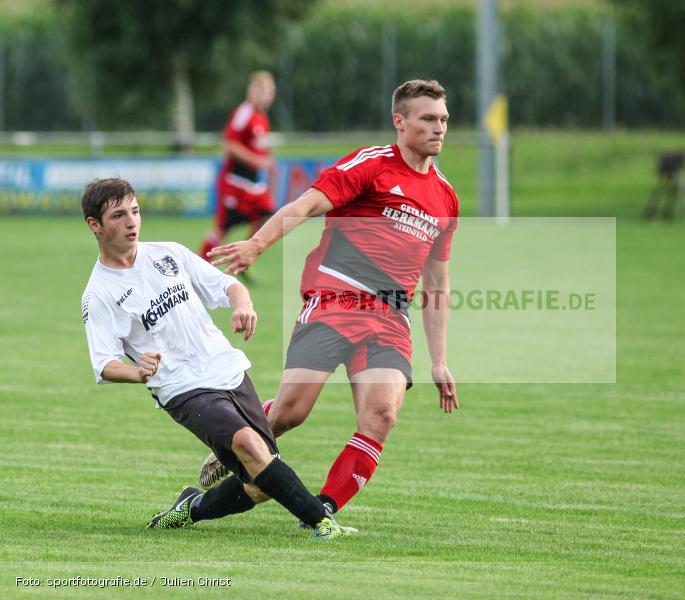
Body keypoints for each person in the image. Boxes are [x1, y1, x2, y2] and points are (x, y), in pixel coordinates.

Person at [203, 79, 460, 518]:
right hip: (337, 298)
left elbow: (436, 284)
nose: (439, 128)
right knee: (290, 413)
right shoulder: (371, 166)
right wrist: (256, 245)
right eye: (428, 119)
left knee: (382, 415)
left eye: (444, 120)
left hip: (391, 316)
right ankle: (238, 434)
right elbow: (302, 207)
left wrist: (439, 360)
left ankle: (322, 512)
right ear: (399, 122)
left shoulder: (445, 197)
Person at [79, 177, 355, 540]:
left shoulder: (169, 254)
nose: (132, 222)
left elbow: (228, 285)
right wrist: (137, 372)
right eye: (118, 215)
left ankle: (191, 508)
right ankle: (322, 522)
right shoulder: (99, 293)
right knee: (248, 442)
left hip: (227, 369)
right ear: (94, 225)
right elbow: (104, 363)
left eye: (135, 211)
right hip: (182, 387)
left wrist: (243, 305)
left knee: (260, 483)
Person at [199, 71, 278, 277]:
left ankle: (242, 258)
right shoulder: (245, 112)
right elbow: (229, 145)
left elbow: (259, 148)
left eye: (270, 92)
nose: (267, 96)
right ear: (253, 91)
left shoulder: (262, 117)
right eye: (263, 91)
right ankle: (199, 267)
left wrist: (268, 161)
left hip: (252, 184)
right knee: (222, 228)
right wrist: (257, 160)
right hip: (234, 181)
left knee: (266, 217)